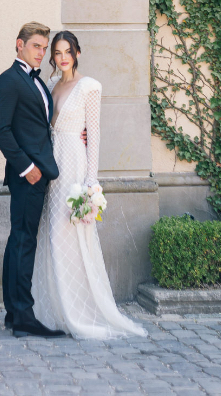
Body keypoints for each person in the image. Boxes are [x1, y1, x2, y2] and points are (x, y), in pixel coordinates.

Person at [32, 30, 147, 339]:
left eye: (68, 51)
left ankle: (79, 311)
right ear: (53, 57)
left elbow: (93, 133)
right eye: (57, 52)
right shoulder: (53, 85)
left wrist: (91, 182)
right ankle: (55, 310)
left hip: (73, 165)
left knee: (68, 234)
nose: (63, 57)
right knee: (51, 234)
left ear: (77, 53)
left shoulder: (89, 87)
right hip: (52, 164)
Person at [0, 22, 66, 339]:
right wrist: (26, 167)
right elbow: (0, 130)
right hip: (28, 177)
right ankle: (23, 315)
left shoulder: (35, 81)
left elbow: (40, 124)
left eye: (44, 47)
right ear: (19, 44)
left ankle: (13, 313)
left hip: (38, 171)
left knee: (19, 241)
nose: (42, 52)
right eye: (36, 45)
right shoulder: (8, 81)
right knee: (24, 243)